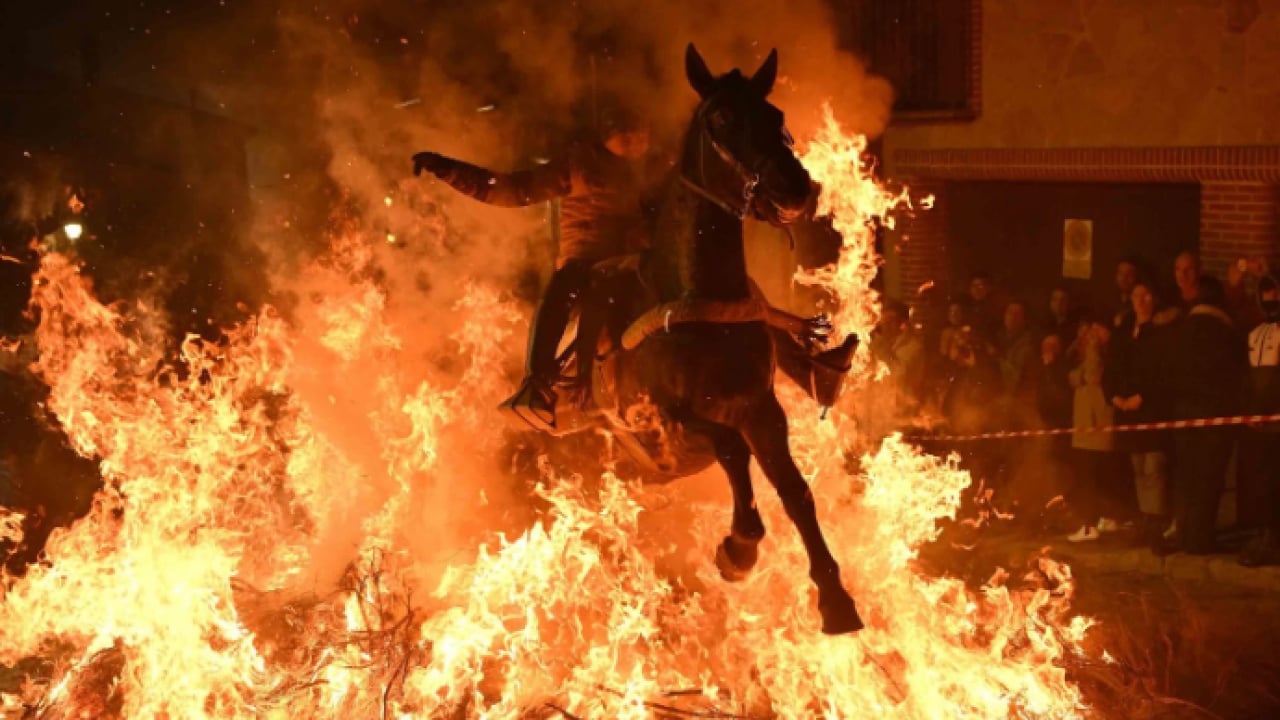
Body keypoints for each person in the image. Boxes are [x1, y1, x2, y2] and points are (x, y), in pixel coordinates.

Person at [413, 105, 665, 426]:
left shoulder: (651, 172)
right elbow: (513, 189)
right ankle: (538, 383)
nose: (640, 140)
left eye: (644, 133)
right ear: (612, 133)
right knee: (559, 293)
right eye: (632, 132)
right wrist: (448, 169)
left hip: (638, 262)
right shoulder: (578, 165)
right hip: (587, 263)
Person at [1163, 275, 1248, 555]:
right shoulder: (1226, 333)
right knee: (1208, 479)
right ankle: (1201, 538)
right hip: (1216, 418)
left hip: (1184, 416)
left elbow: (1171, 371)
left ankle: (1185, 534)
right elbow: (1236, 375)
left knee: (1187, 477)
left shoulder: (1183, 330)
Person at [1106, 280, 1174, 546]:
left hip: (1151, 409)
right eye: (1137, 295)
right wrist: (1115, 397)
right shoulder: (1123, 331)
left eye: (1147, 295)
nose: (1142, 300)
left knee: (1153, 466)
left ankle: (1156, 520)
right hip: (1126, 411)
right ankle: (1144, 518)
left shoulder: (1160, 332)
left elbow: (1161, 370)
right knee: (1137, 467)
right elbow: (1112, 367)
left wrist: (1142, 396)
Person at [1066, 318, 1122, 542]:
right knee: (1097, 475)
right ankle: (1104, 518)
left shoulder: (1101, 353)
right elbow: (1072, 377)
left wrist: (1091, 347)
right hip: (1088, 424)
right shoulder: (1084, 355)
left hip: (1094, 424)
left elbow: (1091, 375)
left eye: (1090, 331)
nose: (1086, 336)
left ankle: (1090, 524)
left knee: (1091, 476)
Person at [1239, 274, 1280, 566]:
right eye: (1266, 296)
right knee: (1263, 481)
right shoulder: (1254, 335)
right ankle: (1267, 534)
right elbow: (1249, 380)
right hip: (1261, 423)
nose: (1271, 303)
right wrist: (1250, 410)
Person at [869, 300, 925, 410]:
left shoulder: (914, 347)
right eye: (883, 320)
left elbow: (899, 375)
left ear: (903, 324)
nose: (885, 325)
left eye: (890, 321)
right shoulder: (887, 343)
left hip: (905, 410)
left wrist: (880, 347)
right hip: (881, 409)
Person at [1113, 258, 1139, 331]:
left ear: (1135, 277)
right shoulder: (1107, 299)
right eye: (1121, 273)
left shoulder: (1140, 303)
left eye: (1129, 274)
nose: (1124, 278)